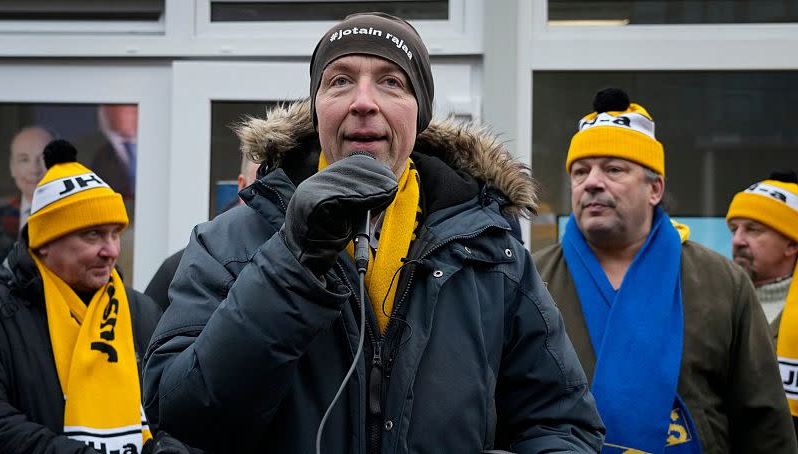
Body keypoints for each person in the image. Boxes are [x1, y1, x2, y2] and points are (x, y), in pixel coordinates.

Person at [143, 12, 604, 453]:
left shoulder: (490, 250)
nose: (364, 102)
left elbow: (562, 421)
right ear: (317, 108)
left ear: (419, 114)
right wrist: (291, 261)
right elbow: (180, 413)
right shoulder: (228, 243)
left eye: (391, 82)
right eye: (339, 80)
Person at [533, 87, 798, 453]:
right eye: (580, 172)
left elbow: (763, 423)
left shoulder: (721, 281)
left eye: (613, 169)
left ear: (655, 188)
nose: (591, 182)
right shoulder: (531, 279)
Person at [0, 139, 180, 453]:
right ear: (45, 242)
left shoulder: (140, 311)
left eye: (115, 233)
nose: (112, 251)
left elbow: (171, 410)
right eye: (92, 234)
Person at [726, 169, 798, 433]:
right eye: (735, 229)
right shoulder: (717, 300)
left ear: (791, 244)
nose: (737, 241)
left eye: (753, 230)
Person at [144, 154, 261, 311]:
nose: (272, 199)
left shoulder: (298, 265)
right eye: (261, 186)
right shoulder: (182, 267)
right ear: (242, 185)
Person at [0, 126, 54, 266]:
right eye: (24, 160)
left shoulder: (75, 218)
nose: (34, 169)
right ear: (12, 167)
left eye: (43, 158)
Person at [92, 104, 138, 199]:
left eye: (135, 106)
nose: (133, 111)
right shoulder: (85, 149)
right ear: (106, 109)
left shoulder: (160, 145)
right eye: (128, 105)